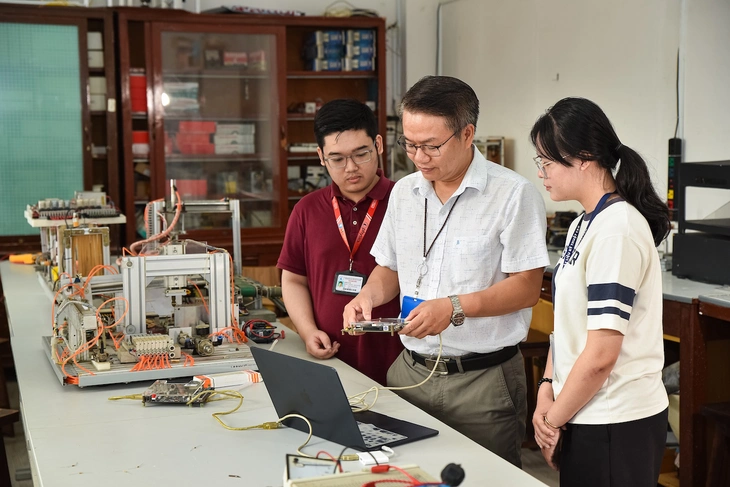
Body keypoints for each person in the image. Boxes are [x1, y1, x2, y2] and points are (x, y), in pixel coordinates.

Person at [343, 76, 550, 467]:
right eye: (410, 144)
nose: (419, 158)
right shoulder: (404, 192)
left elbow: (526, 289)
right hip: (410, 372)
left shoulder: (512, 194)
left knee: (484, 478)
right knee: (404, 474)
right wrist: (366, 296)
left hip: (482, 383)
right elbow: (389, 268)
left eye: (431, 146)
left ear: (467, 134)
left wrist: (453, 307)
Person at [529, 97, 670, 486]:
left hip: (616, 419)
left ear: (584, 158)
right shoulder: (582, 224)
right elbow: (567, 326)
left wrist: (551, 420)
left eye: (547, 161)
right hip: (580, 409)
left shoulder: (617, 230)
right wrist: (546, 389)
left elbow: (601, 356)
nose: (541, 172)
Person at [277, 99, 402, 385]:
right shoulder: (307, 210)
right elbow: (293, 280)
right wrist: (307, 331)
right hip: (329, 360)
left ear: (378, 145)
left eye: (361, 154)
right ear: (321, 156)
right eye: (337, 159)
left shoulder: (406, 202)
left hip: (398, 361)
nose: (351, 168)